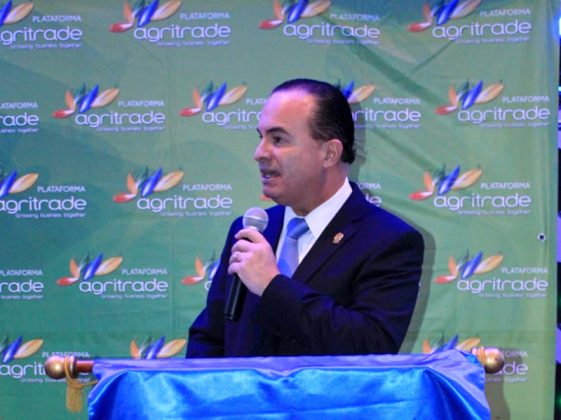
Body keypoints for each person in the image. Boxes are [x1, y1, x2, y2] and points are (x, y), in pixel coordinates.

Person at [187, 78, 424, 357]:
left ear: (329, 153)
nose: (259, 153)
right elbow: (210, 338)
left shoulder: (389, 240)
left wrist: (272, 286)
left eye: (278, 139)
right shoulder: (250, 230)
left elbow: (371, 346)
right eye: (261, 137)